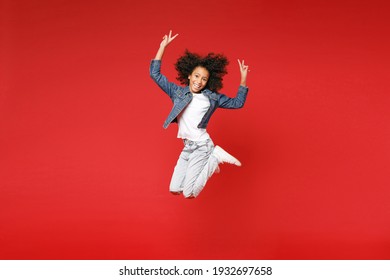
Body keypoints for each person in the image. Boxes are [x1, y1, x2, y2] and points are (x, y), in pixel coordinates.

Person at [150, 30, 249, 199]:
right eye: (196, 76)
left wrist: (243, 80)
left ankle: (215, 157)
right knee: (175, 189)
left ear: (207, 82)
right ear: (189, 76)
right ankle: (212, 159)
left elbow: (237, 103)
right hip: (187, 147)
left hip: (202, 146)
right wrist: (162, 47)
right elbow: (155, 74)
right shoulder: (177, 92)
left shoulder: (211, 98)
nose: (199, 81)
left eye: (204, 79)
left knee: (189, 193)